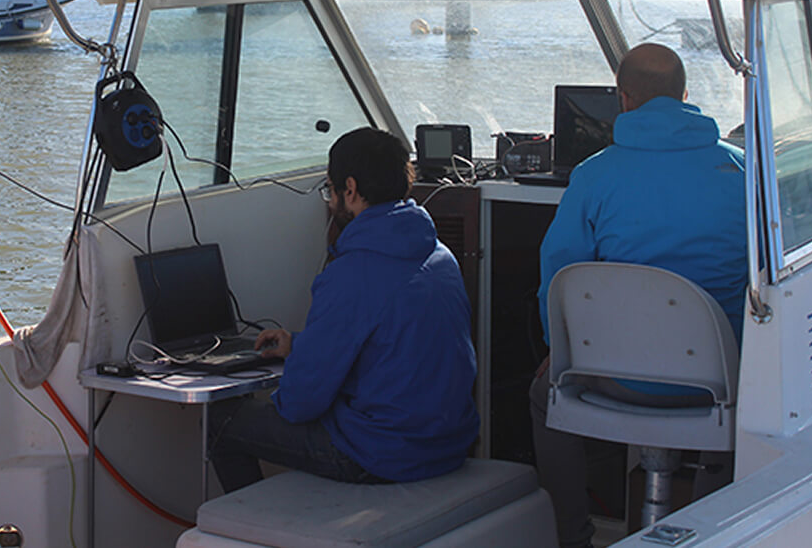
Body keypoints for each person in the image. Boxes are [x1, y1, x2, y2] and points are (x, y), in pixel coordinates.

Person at [530, 42, 746, 548]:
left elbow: (558, 274)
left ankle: (572, 537)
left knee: (544, 395)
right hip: (717, 382)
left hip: (617, 379)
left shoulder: (593, 176)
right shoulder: (743, 172)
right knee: (748, 404)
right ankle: (713, 532)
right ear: (685, 96)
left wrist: (557, 349)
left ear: (623, 99)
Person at [208, 127, 479, 493]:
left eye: (330, 189)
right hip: (450, 445)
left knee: (221, 420)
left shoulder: (352, 273)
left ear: (349, 189)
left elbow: (300, 404)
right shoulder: (440, 255)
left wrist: (283, 389)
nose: (330, 200)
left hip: (382, 457)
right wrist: (298, 346)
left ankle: (248, 522)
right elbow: (392, 343)